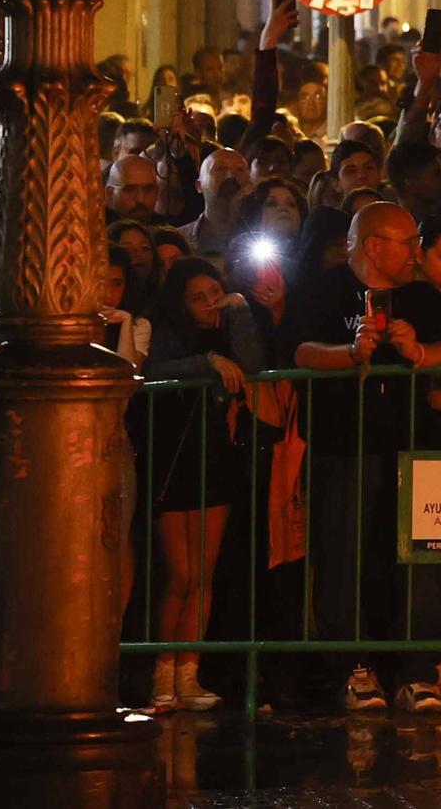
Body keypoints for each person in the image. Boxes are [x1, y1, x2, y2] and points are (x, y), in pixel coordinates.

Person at [284, 202, 441, 713]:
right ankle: (353, 668)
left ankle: (417, 670)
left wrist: (417, 352)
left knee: (419, 561)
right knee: (345, 557)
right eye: (408, 243)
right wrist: (348, 353)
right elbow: (298, 351)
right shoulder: (325, 289)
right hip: (346, 442)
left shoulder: (419, 296)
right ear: (373, 246)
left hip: (412, 442)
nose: (417, 253)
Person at [140, 257, 267, 712]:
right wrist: (207, 360)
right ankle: (161, 673)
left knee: (205, 574)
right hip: (174, 455)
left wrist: (237, 311)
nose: (209, 303)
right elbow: (153, 370)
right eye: (199, 297)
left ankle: (189, 673)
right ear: (180, 301)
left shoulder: (227, 327)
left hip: (214, 455)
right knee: (181, 572)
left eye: (215, 292)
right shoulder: (167, 332)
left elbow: (253, 361)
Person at [180, 147, 253, 263]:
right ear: (199, 185)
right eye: (220, 169)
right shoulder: (180, 240)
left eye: (239, 170)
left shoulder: (261, 237)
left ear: (250, 186)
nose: (230, 176)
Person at [107, 154, 163, 224]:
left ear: (157, 193)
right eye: (130, 190)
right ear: (110, 195)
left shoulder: (165, 232)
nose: (140, 199)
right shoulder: (95, 230)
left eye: (148, 190)